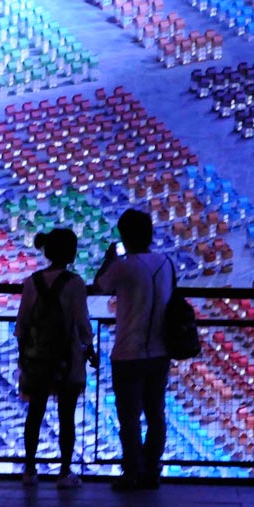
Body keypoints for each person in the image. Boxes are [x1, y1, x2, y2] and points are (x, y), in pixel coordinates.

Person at [93, 209, 173, 491]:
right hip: (160, 350)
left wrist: (109, 259)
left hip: (128, 351)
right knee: (156, 414)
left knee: (129, 417)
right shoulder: (166, 263)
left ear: (124, 236)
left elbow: (99, 286)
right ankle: (152, 470)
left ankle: (132, 472)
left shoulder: (124, 266)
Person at [15, 228, 97, 490]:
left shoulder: (32, 282)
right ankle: (64, 472)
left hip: (37, 359)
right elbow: (82, 323)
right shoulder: (75, 283)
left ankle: (29, 469)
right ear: (70, 253)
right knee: (66, 417)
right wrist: (89, 347)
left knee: (35, 414)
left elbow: (22, 323)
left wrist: (24, 355)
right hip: (67, 360)